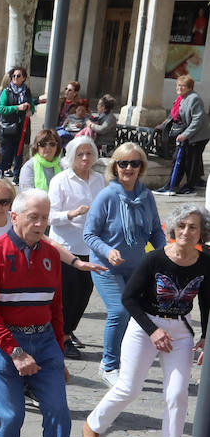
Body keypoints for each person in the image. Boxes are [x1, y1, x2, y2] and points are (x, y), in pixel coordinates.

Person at [84, 204, 210, 437]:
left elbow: (207, 301)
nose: (186, 231)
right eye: (182, 226)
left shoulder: (206, 262)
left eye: (193, 227)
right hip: (145, 326)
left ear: (201, 233)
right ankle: (93, 425)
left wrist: (206, 336)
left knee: (177, 394)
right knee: (129, 388)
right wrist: (153, 330)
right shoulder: (154, 259)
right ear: (173, 228)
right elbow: (129, 299)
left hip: (181, 331)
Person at [0, 189, 69, 437]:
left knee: (59, 413)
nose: (40, 224)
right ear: (14, 217)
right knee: (10, 416)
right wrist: (16, 351)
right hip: (3, 341)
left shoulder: (52, 255)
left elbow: (56, 308)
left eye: (44, 218)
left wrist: (59, 354)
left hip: (44, 341)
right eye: (33, 218)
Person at [84, 143, 166, 384]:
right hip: (106, 266)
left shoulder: (146, 196)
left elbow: (155, 232)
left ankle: (126, 361)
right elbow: (89, 235)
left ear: (141, 167)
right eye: (123, 163)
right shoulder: (107, 196)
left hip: (137, 267)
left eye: (134, 163)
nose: (128, 168)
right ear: (115, 166)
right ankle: (108, 365)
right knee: (120, 311)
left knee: (137, 314)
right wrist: (108, 251)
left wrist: (165, 254)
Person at [47, 136, 104, 356]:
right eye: (80, 154)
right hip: (66, 246)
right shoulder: (61, 180)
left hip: (92, 246)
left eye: (89, 154)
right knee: (67, 293)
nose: (85, 158)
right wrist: (71, 214)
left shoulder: (99, 179)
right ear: (71, 157)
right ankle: (62, 336)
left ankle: (68, 331)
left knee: (84, 293)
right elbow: (49, 216)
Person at [157, 75, 210, 195]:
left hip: (198, 135)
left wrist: (185, 135)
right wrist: (161, 126)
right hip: (188, 133)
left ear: (190, 88)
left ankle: (190, 187)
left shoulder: (194, 98)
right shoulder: (180, 98)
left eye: (183, 86)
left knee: (190, 160)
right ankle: (192, 182)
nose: (179, 88)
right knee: (187, 159)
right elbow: (173, 116)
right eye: (178, 85)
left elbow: (198, 120)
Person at [0, 66, 33, 179]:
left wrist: (30, 111)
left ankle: (17, 176)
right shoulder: (6, 92)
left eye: (18, 76)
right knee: (5, 152)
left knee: (19, 153)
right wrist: (17, 107)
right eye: (14, 76)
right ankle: (0, 172)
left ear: (24, 78)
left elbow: (32, 106)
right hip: (8, 127)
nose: (15, 78)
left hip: (22, 127)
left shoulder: (26, 91)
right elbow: (0, 109)